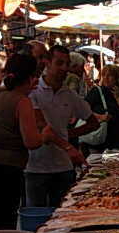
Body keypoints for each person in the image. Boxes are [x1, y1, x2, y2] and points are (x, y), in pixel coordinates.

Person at [0, 53, 64, 230]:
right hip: (7, 171)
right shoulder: (22, 101)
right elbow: (31, 141)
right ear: (30, 78)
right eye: (36, 77)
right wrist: (45, 135)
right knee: (4, 222)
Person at [26, 45, 97, 207]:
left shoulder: (70, 95)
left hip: (64, 167)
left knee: (64, 216)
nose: (64, 68)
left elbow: (93, 123)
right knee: (37, 218)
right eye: (59, 63)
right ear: (47, 63)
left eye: (67, 64)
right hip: (35, 166)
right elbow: (41, 125)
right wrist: (67, 146)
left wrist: (69, 133)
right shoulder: (34, 91)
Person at [87, 64, 119, 151]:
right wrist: (100, 117)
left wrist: (118, 98)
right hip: (100, 142)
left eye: (109, 75)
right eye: (104, 75)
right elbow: (84, 112)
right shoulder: (96, 91)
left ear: (117, 78)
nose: (106, 78)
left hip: (118, 141)